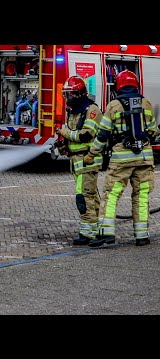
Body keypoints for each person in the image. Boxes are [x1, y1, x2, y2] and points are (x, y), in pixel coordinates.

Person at [84, 69, 157, 247]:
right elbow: (154, 132)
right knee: (141, 196)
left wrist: (92, 154)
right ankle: (142, 236)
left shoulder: (113, 105)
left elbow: (102, 135)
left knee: (112, 195)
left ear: (118, 86)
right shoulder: (146, 103)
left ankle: (107, 233)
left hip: (121, 161)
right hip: (145, 159)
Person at [55, 76, 103, 245]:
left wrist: (64, 134)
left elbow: (85, 135)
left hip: (88, 161)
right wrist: (63, 144)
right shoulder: (74, 111)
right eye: (66, 95)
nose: (67, 99)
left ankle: (88, 234)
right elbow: (72, 134)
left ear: (80, 93)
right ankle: (96, 229)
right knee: (90, 197)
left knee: (84, 197)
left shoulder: (92, 111)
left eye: (71, 95)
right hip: (77, 162)